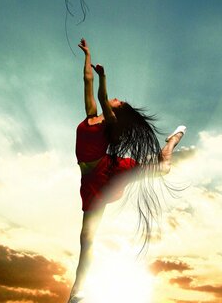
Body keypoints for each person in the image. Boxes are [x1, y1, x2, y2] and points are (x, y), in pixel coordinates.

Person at [68, 38, 186, 303]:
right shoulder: (91, 115)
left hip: (105, 174)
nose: (115, 98)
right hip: (89, 180)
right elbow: (87, 83)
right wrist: (87, 56)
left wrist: (104, 78)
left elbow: (100, 93)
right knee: (85, 242)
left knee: (162, 169)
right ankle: (77, 291)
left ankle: (171, 142)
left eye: (117, 101)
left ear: (116, 111)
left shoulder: (109, 121)